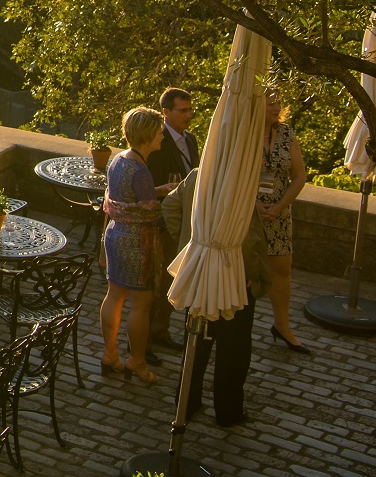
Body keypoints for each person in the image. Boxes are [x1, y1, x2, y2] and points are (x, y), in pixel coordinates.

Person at [163, 165, 270, 427]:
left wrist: (189, 245)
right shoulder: (238, 181)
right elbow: (246, 237)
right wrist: (252, 272)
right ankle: (228, 409)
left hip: (200, 271)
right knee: (234, 347)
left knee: (197, 339)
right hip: (234, 277)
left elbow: (170, 206)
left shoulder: (198, 174)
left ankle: (187, 402)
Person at [100, 106, 167, 383]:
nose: (162, 136)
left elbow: (126, 199)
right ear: (147, 135)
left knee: (114, 295)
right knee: (142, 302)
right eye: (159, 132)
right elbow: (151, 212)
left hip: (115, 234)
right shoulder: (141, 171)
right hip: (138, 242)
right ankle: (137, 362)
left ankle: (110, 355)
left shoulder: (117, 160)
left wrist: (157, 192)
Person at [258, 85, 310, 351]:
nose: (277, 107)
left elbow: (299, 175)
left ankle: (282, 326)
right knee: (246, 270)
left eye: (279, 102)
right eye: (271, 103)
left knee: (282, 269)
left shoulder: (287, 133)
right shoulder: (244, 134)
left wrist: (279, 206)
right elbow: (232, 177)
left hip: (279, 212)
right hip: (248, 212)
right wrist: (254, 204)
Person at [145, 88, 198, 352]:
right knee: (158, 279)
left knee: (172, 279)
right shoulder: (157, 142)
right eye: (183, 110)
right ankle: (147, 336)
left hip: (186, 220)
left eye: (190, 110)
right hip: (164, 219)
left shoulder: (191, 141)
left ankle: (160, 327)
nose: (188, 115)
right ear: (166, 112)